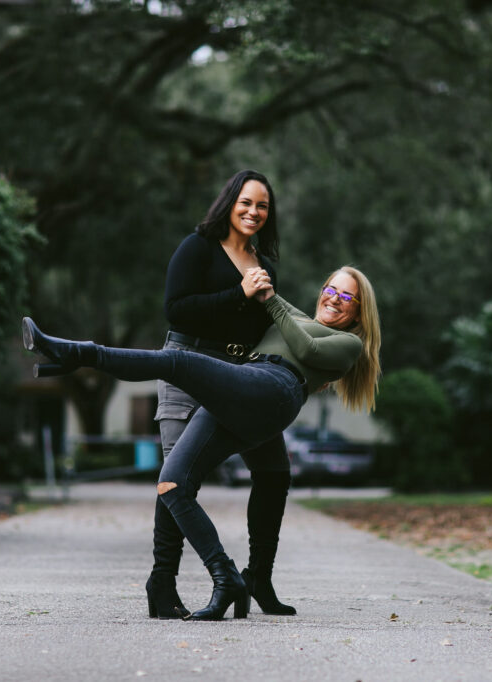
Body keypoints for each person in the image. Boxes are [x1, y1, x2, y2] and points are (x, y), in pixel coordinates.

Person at [21, 266, 381, 620]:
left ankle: (76, 354)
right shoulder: (296, 315)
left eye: (347, 296)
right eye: (331, 289)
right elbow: (258, 281)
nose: (335, 299)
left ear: (358, 312)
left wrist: (271, 302)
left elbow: (308, 350)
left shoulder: (349, 343)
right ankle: (228, 579)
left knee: (177, 361)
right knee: (172, 483)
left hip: (275, 388)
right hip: (240, 386)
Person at [151, 169, 294, 620]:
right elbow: (176, 309)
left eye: (263, 206)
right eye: (246, 203)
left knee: (273, 471)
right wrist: (238, 293)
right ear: (229, 203)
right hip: (186, 366)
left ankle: (259, 578)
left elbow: (260, 329)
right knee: (176, 477)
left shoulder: (265, 265)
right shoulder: (198, 247)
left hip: (237, 375)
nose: (254, 212)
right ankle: (163, 585)